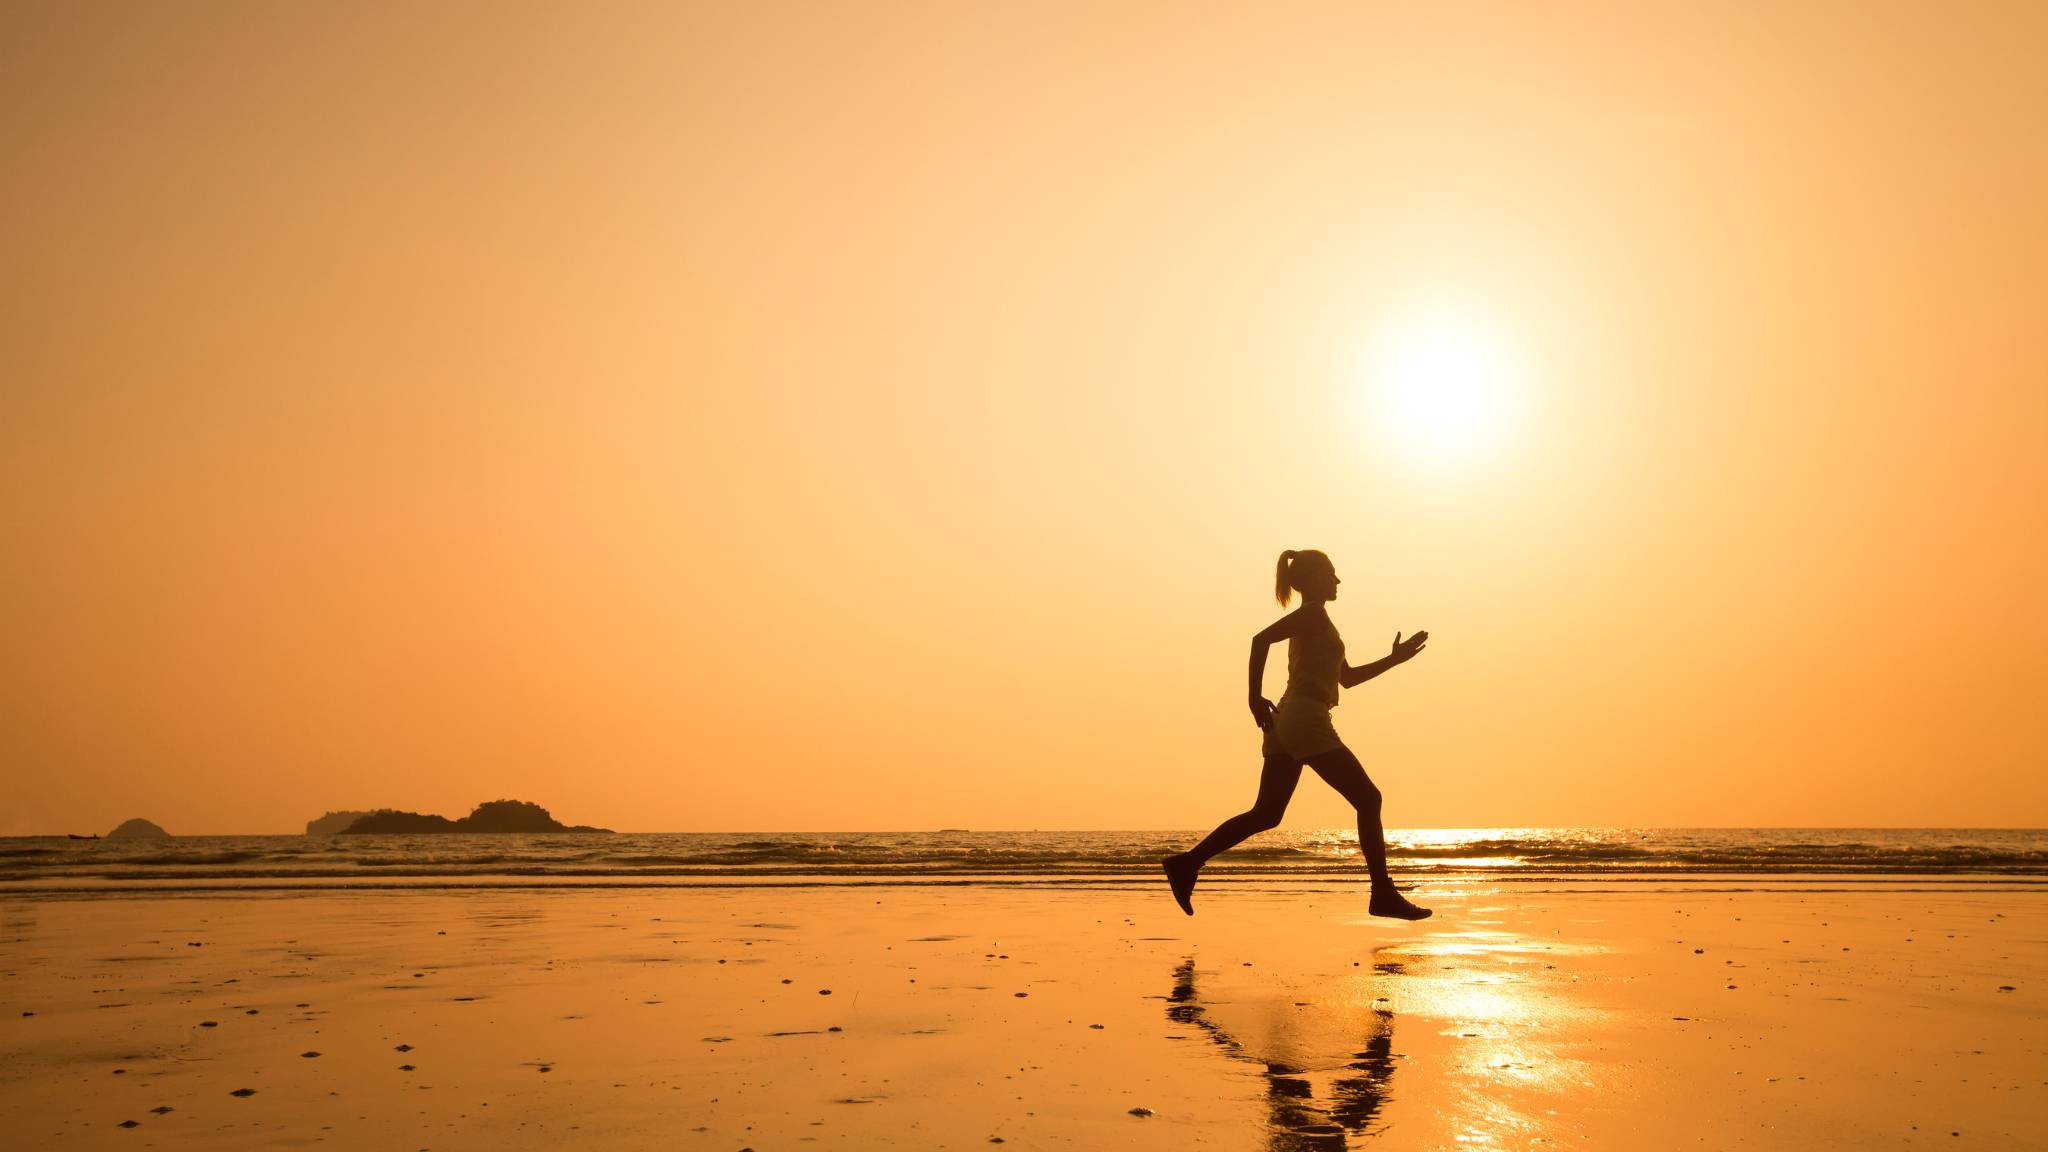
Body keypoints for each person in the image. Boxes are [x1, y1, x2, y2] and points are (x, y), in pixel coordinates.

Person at [1162, 549, 1433, 920]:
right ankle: (1382, 893)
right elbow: (1260, 640)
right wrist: (1252, 696)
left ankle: (1187, 864)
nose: (1338, 581)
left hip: (1288, 720)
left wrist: (1394, 659)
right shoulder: (1312, 616)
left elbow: (1347, 678)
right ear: (1313, 579)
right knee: (1368, 798)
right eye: (1332, 574)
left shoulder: (1320, 622)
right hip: (1305, 718)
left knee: (1266, 813)